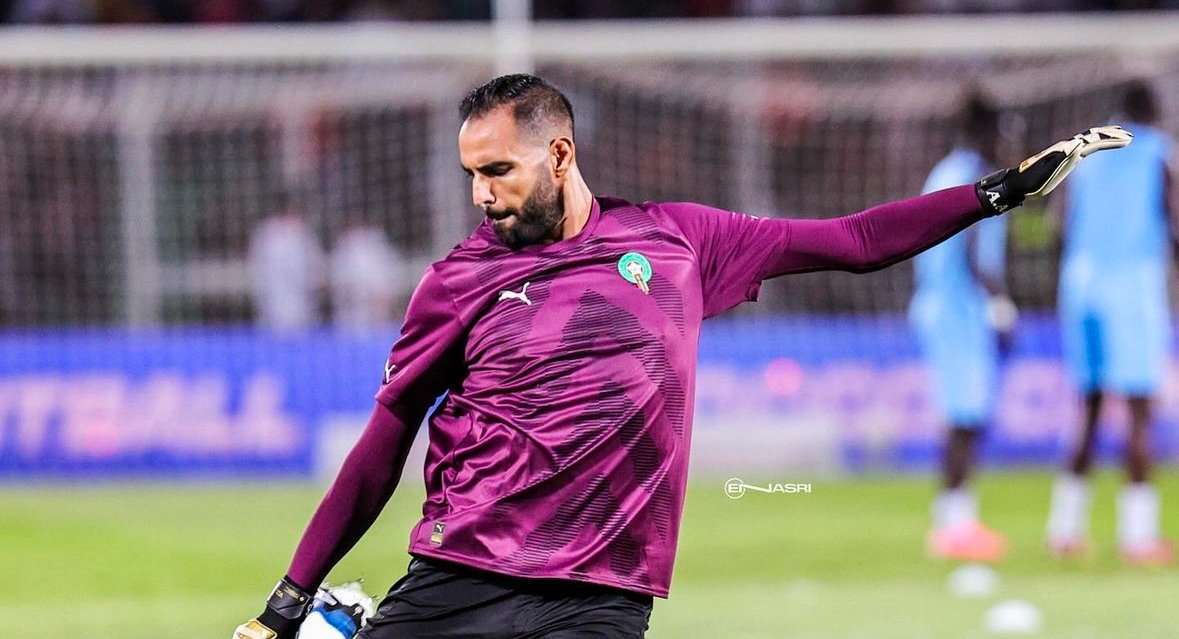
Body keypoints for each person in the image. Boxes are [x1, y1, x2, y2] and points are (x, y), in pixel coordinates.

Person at [234, 74, 1129, 639]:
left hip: (603, 596)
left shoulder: (679, 241)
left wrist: (992, 195)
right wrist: (285, 598)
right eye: (472, 173)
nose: (481, 194)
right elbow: (384, 441)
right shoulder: (456, 280)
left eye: (498, 170)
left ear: (558, 153)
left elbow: (853, 240)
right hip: (461, 574)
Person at [1046, 80, 1177, 566]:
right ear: (1153, 111)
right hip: (1131, 286)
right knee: (1139, 409)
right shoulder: (1159, 153)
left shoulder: (1085, 153)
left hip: (1080, 286)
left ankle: (1065, 528)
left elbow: (1058, 224)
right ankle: (1138, 535)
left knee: (1090, 404)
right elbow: (1176, 224)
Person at [910, 91, 1014, 563]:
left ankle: (956, 520)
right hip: (958, 308)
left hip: (942, 303)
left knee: (965, 415)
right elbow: (972, 249)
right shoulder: (975, 177)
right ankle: (953, 527)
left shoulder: (945, 171)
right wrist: (1000, 307)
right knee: (966, 417)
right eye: (1005, 135)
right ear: (987, 132)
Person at [249, 203, 325, 331]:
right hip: (274, 304)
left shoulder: (302, 233)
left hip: (299, 305)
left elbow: (315, 270)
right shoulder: (266, 232)